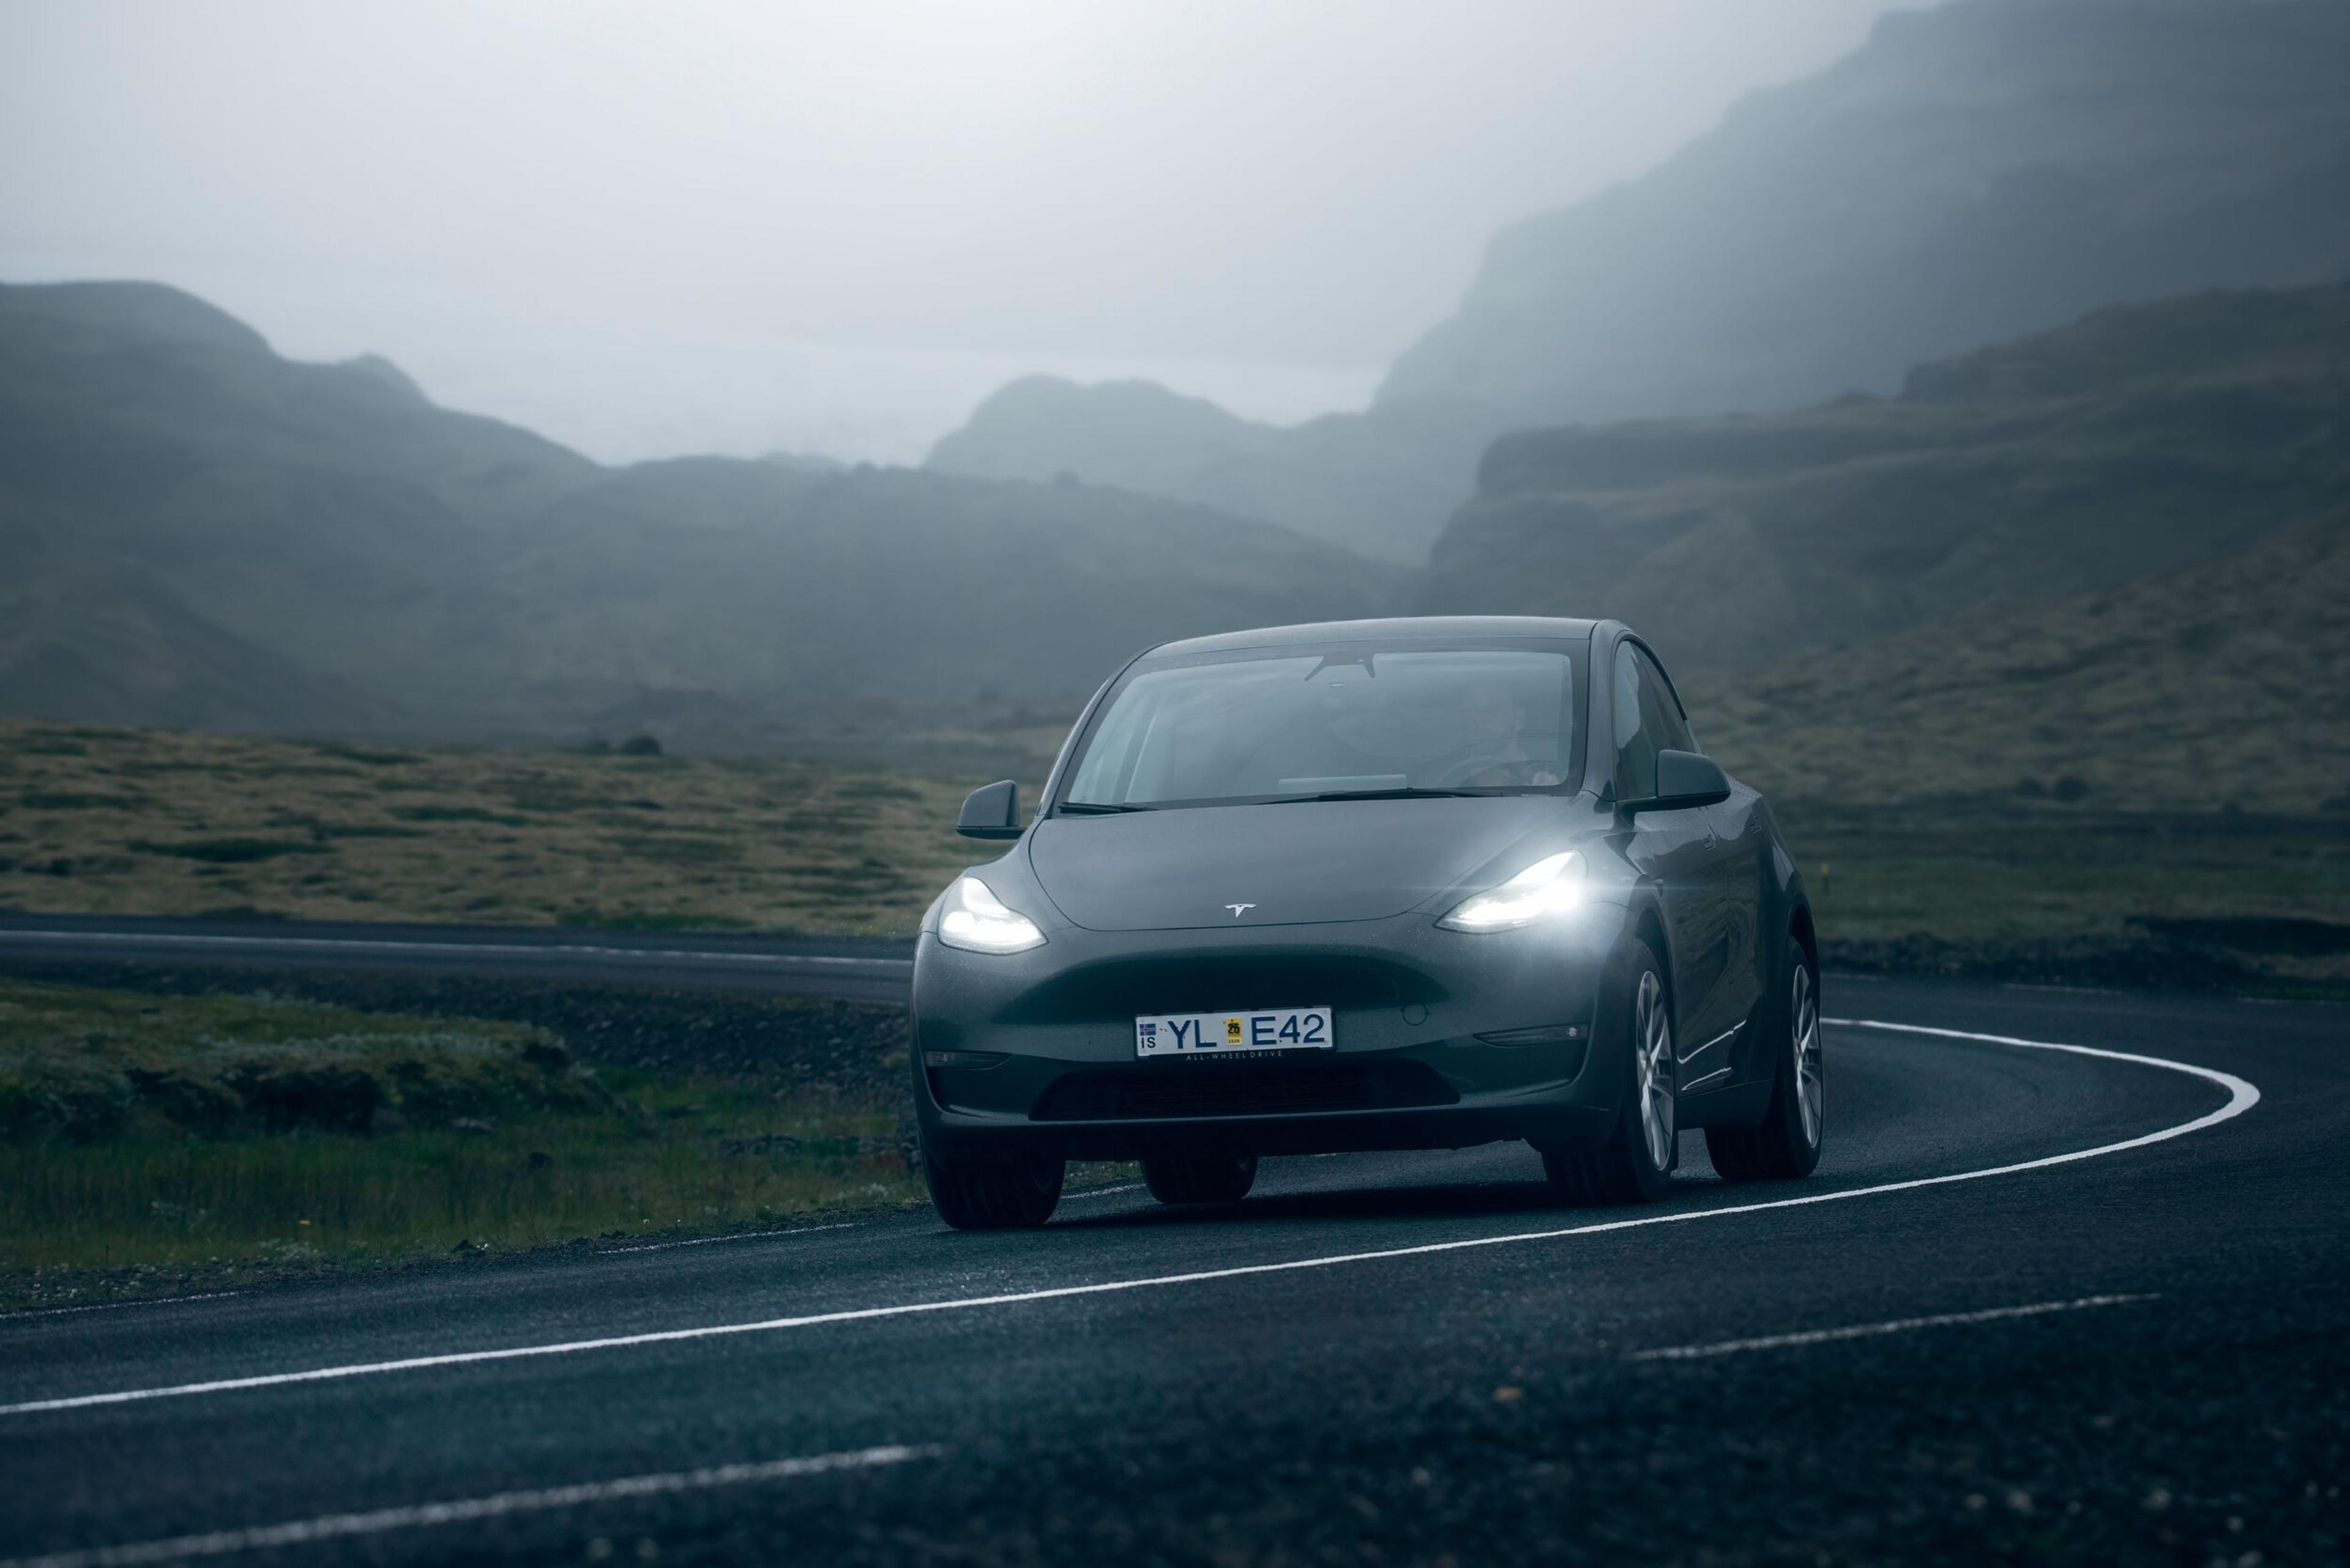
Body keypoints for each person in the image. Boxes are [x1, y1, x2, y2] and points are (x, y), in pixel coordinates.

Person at [1458, 687, 1561, 787]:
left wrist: (1549, 791)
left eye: (1492, 709)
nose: (1479, 719)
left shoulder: (1554, 775)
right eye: (1471, 710)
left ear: (1519, 719)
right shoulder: (1444, 775)